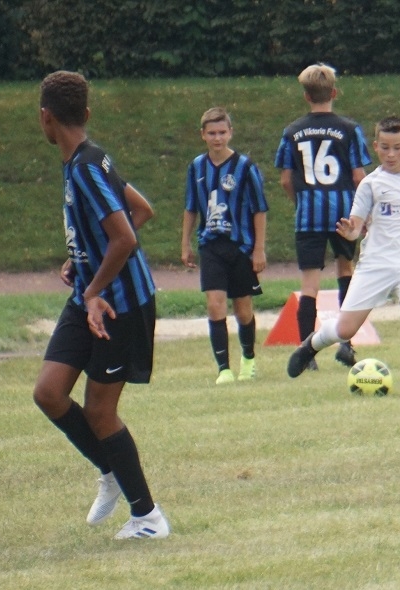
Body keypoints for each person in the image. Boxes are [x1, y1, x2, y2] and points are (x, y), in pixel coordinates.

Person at [32, 70, 169, 539]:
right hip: (87, 297)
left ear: (46, 118)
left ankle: (148, 517)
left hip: (119, 304)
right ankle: (109, 470)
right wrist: (83, 260)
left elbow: (126, 236)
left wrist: (94, 291)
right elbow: (142, 209)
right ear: (86, 114)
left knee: (99, 412)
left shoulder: (88, 168)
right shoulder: (87, 159)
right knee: (49, 393)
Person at [286, 116, 400, 397]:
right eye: (385, 148)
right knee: (345, 329)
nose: (391, 154)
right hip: (376, 266)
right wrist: (350, 232)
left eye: (397, 147)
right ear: (376, 147)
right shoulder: (370, 184)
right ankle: (312, 345)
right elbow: (356, 225)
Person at [274, 63, 373, 370]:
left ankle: (307, 354)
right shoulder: (349, 129)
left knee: (309, 285)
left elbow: (285, 179)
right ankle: (346, 344)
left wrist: (301, 202)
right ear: (334, 93)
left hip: (309, 215)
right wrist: (364, 214)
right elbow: (359, 176)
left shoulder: (291, 132)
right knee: (346, 271)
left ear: (306, 96)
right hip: (343, 213)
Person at [181, 107, 269, 385]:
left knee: (243, 309)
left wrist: (259, 248)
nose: (217, 138)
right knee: (214, 304)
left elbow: (259, 210)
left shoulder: (245, 167)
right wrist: (185, 242)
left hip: (240, 246)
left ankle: (248, 358)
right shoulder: (197, 167)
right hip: (210, 245)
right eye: (211, 133)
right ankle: (224, 369)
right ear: (203, 135)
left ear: (230, 133)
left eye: (222, 132)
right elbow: (191, 207)